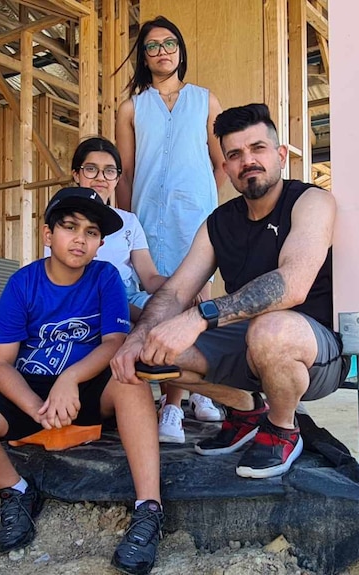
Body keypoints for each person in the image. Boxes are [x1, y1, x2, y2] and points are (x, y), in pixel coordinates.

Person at [111, 103, 351, 479]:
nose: (248, 161)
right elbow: (174, 292)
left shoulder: (311, 202)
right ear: (225, 168)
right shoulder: (219, 222)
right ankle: (245, 411)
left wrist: (198, 317)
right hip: (246, 344)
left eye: (258, 149)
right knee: (149, 352)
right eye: (235, 155)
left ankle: (282, 427)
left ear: (281, 155)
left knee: (270, 330)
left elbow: (293, 283)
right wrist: (136, 337)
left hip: (311, 349)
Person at [0, 187, 162, 575]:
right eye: (70, 227)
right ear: (48, 234)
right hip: (30, 386)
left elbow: (114, 342)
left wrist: (70, 380)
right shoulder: (22, 284)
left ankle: (149, 509)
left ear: (100, 243)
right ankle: (17, 492)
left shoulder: (105, 277)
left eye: (92, 232)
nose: (80, 238)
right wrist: (35, 408)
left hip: (89, 384)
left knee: (132, 379)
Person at [115, 15, 226, 440]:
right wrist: (130, 226)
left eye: (169, 43)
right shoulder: (132, 108)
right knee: (160, 307)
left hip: (193, 222)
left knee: (197, 306)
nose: (162, 51)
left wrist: (204, 204)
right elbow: (125, 173)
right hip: (148, 222)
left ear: (180, 49)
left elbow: (219, 163)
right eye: (152, 46)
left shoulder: (205, 100)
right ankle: (173, 404)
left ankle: (193, 395)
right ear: (143, 57)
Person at [46, 137, 165, 322]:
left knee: (170, 312)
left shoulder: (129, 221)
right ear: (76, 174)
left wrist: (182, 289)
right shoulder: (62, 218)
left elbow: (149, 278)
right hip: (80, 298)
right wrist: (142, 317)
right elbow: (61, 281)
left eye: (109, 171)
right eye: (91, 169)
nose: (100, 177)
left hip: (128, 297)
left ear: (117, 178)